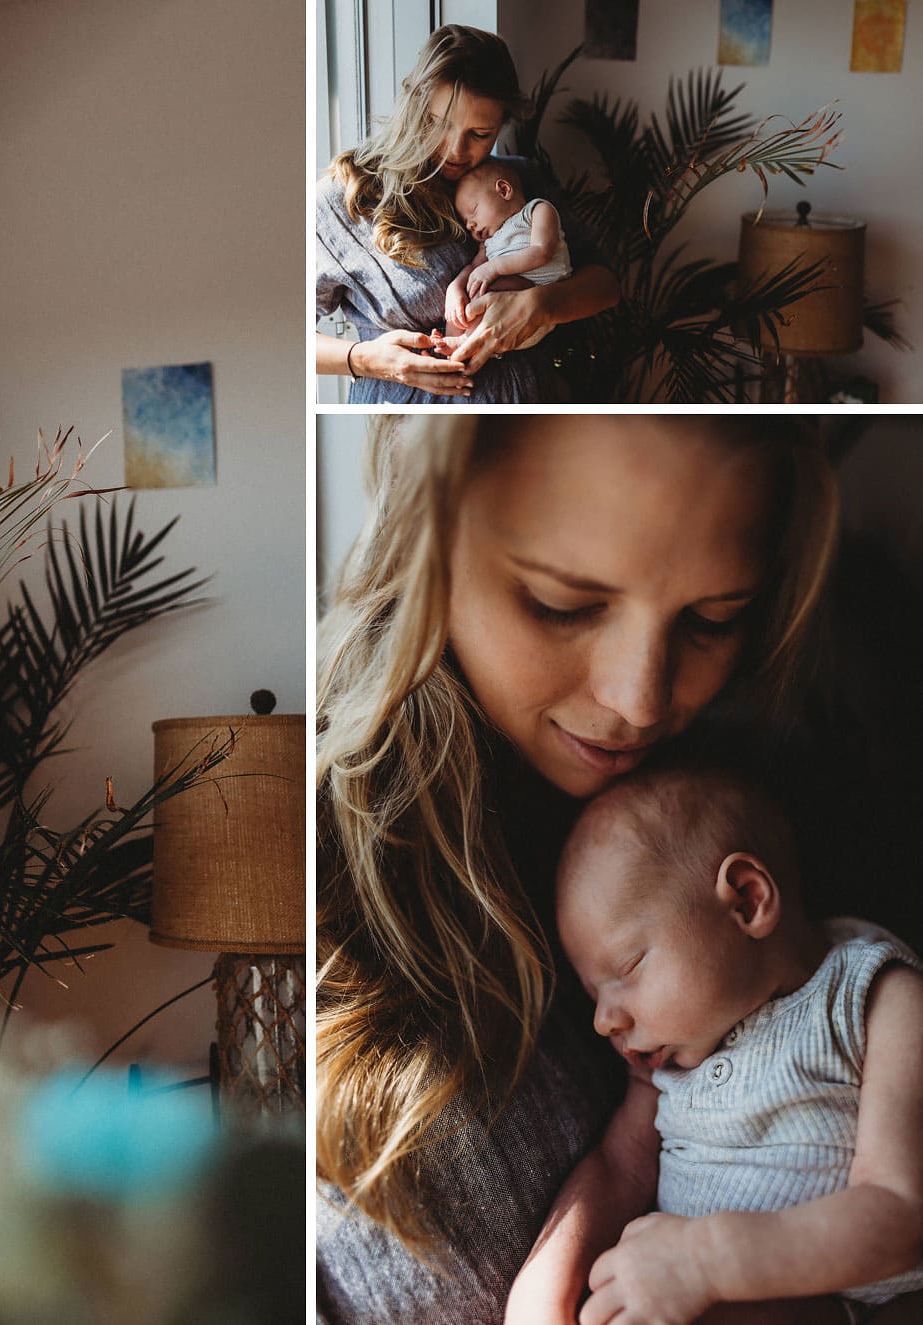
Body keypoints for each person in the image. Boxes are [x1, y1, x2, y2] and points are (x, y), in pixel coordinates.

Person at [315, 419, 861, 1324]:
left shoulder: (770, 808)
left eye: (712, 620)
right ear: (430, 539)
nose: (641, 700)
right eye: (562, 604)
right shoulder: (316, 881)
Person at [507, 764, 923, 1325]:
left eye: (627, 967)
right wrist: (542, 1287)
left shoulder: (875, 995)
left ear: (747, 902)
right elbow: (619, 1168)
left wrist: (706, 1261)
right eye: (592, 997)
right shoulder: (665, 1059)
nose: (605, 1021)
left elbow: (901, 1215)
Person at [315, 25, 619, 404]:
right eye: (439, 124)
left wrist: (539, 305)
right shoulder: (342, 200)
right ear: (414, 105)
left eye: (479, 133)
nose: (455, 150)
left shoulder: (517, 180)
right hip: (409, 433)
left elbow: (606, 285)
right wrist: (366, 360)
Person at [442, 158, 571, 338]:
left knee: (485, 292)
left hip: (539, 295)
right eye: (466, 222)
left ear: (504, 190)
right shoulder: (490, 241)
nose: (470, 225)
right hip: (507, 316)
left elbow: (542, 251)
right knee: (464, 299)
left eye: (473, 211)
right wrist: (455, 287)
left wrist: (494, 268)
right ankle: (450, 342)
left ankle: (465, 340)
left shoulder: (537, 210)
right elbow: (474, 268)